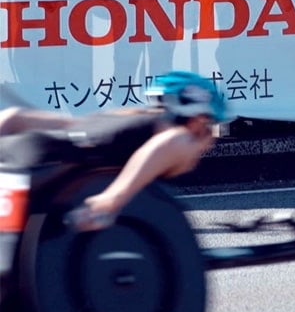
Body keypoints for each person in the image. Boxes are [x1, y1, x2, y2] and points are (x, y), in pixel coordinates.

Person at [0, 71, 230, 230]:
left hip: (25, 148)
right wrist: (110, 200)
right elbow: (169, 143)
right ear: (197, 121)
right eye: (211, 129)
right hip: (38, 161)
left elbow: (15, 118)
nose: (209, 142)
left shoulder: (126, 119)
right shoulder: (178, 138)